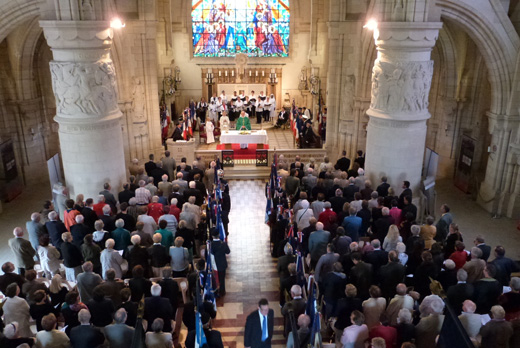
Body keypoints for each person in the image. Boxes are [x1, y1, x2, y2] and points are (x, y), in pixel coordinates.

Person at [211, 229, 230, 295]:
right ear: (219, 235)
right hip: (222, 264)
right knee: (222, 279)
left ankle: (216, 291)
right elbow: (228, 251)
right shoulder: (223, 244)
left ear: (212, 236)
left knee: (214, 279)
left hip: (214, 265)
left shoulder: (210, 245)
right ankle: (222, 291)